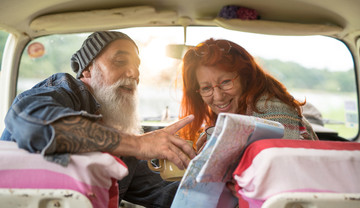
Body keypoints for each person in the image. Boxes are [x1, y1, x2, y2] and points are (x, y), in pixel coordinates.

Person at [0, 31, 196, 208]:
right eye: (120, 62)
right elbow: (32, 123)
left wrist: (213, 175)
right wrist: (138, 143)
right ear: (87, 69)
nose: (134, 73)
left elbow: (166, 194)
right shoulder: (66, 91)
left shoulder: (120, 138)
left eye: (137, 67)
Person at [178, 38, 318, 151]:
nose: (219, 97)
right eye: (206, 88)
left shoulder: (270, 108)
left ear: (245, 77)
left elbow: (278, 169)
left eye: (226, 82)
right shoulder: (237, 111)